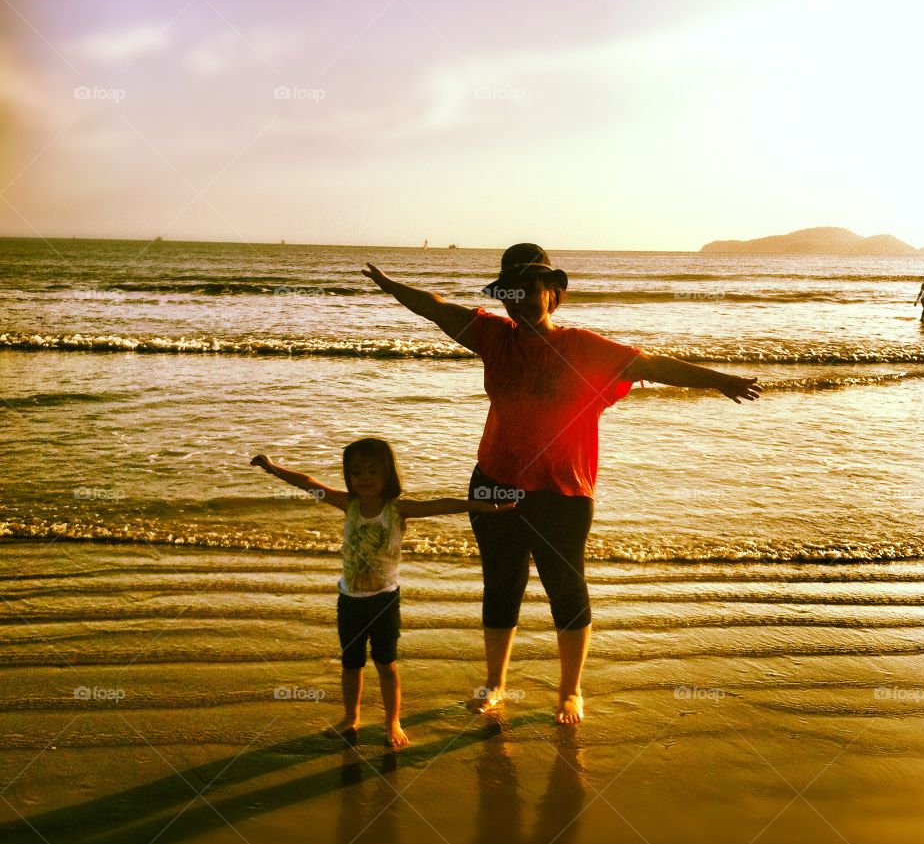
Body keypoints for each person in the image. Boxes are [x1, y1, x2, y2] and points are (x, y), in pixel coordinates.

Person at [361, 243, 761, 725]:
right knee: (501, 585)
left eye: (532, 291)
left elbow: (654, 366)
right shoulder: (493, 336)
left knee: (565, 587)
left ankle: (571, 692)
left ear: (556, 296)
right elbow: (436, 307)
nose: (520, 300)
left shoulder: (584, 348)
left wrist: (721, 380)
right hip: (493, 483)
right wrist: (390, 287)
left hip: (563, 491)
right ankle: (495, 685)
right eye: (511, 292)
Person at [251, 438, 509, 747]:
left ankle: (392, 721)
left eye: (374, 471)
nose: (365, 478)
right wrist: (273, 468)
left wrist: (482, 506)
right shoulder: (348, 504)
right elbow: (308, 483)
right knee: (351, 663)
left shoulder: (397, 509)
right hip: (349, 601)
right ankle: (351, 718)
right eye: (357, 472)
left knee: (387, 665)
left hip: (385, 602)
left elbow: (441, 505)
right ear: (349, 476)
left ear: (388, 474)